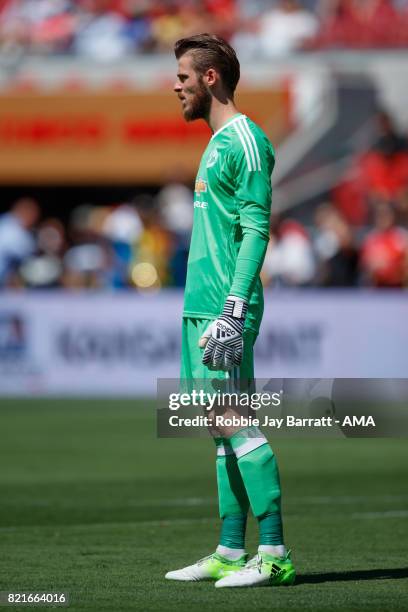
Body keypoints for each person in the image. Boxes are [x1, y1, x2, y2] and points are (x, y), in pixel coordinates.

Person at [165, 33, 295, 588]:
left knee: (239, 426)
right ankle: (230, 550)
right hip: (203, 306)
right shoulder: (216, 142)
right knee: (221, 431)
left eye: (183, 77)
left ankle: (275, 553)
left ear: (210, 78)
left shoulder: (245, 140)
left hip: (226, 306)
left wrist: (235, 307)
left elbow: (256, 228)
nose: (176, 86)